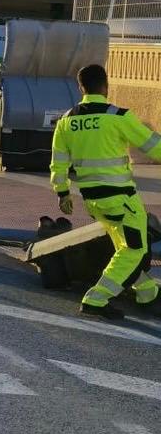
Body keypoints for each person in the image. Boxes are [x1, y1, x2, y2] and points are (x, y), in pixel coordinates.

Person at [50, 63, 161, 319]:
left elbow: (59, 160)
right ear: (106, 85)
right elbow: (153, 147)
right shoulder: (118, 117)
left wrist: (62, 192)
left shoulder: (66, 121)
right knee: (136, 249)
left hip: (93, 201)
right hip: (121, 198)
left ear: (81, 88)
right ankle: (96, 299)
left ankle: (146, 292)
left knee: (123, 243)